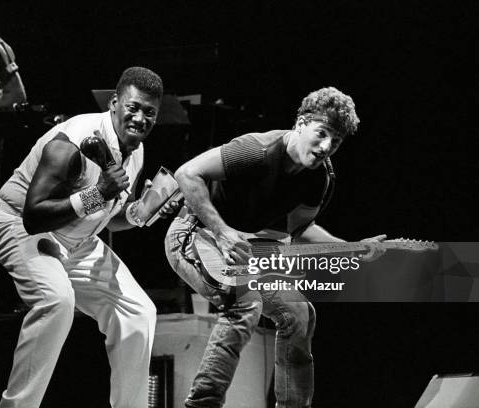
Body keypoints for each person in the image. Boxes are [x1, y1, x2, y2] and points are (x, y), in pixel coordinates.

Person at [165, 87, 386, 407]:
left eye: (335, 142)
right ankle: (202, 403)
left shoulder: (319, 179)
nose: (326, 147)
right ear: (300, 124)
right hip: (192, 234)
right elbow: (187, 174)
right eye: (321, 134)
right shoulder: (257, 149)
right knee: (246, 301)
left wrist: (353, 247)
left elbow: (301, 230)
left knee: (299, 312)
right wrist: (224, 232)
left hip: (240, 251)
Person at [0, 67, 176, 408]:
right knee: (57, 301)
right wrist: (98, 192)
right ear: (115, 103)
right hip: (18, 225)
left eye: (149, 112)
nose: (140, 118)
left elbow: (110, 219)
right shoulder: (71, 142)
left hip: (76, 241)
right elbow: (34, 215)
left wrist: (142, 213)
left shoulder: (136, 150)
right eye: (133, 107)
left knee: (139, 312)